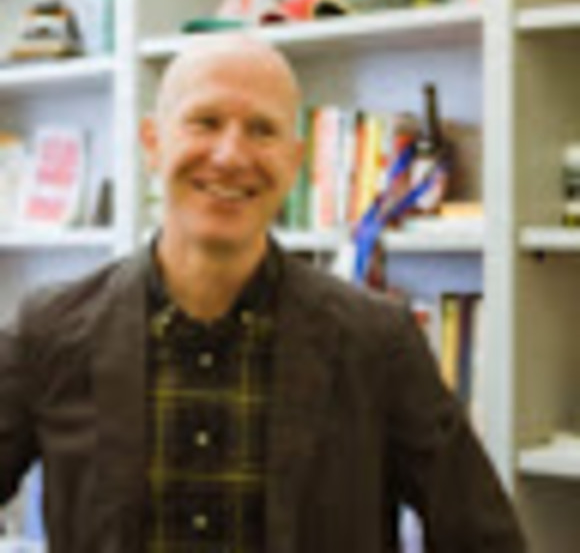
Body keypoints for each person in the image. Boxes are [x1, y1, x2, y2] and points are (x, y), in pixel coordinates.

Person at [0, 34, 525, 553]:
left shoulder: (378, 342)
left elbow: (485, 539)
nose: (231, 155)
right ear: (153, 143)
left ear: (295, 163)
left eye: (262, 130)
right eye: (205, 122)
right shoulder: (49, 332)